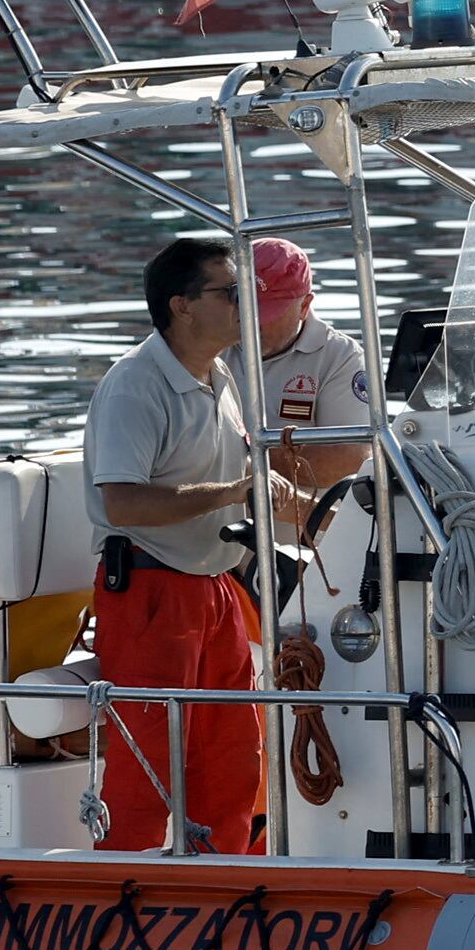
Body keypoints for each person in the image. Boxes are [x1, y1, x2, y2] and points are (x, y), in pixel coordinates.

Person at [83, 235, 313, 851]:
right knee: (148, 765)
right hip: (151, 591)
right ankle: (127, 898)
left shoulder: (219, 376)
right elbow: (122, 503)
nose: (249, 303)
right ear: (182, 306)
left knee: (235, 754)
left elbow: (231, 484)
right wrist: (234, 493)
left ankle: (225, 884)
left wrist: (301, 509)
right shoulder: (135, 385)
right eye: (233, 292)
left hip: (213, 588)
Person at [240, 238, 369, 491]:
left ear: (305, 305)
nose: (250, 323)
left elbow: (351, 460)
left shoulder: (340, 356)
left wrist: (229, 459)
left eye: (266, 313)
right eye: (243, 308)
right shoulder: (210, 337)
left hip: (304, 527)